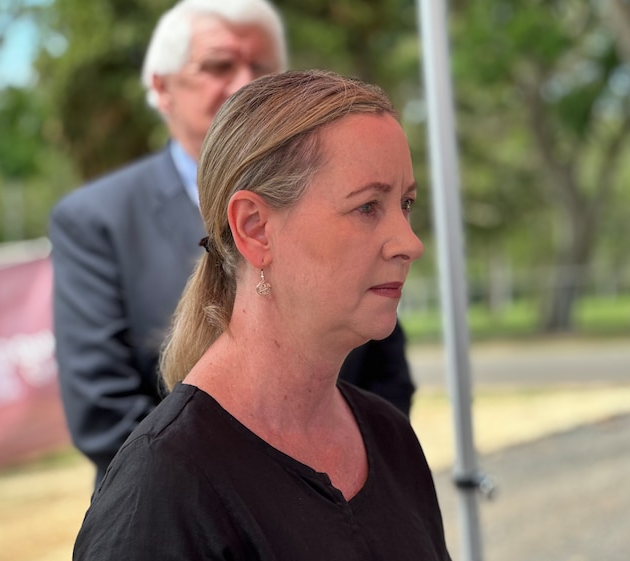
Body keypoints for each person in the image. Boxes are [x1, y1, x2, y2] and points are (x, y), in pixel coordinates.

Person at [73, 68, 457, 561]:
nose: (409, 242)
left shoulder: (387, 436)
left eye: (405, 204)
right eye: (367, 206)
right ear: (255, 229)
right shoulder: (163, 490)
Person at [48, 0, 416, 490]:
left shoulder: (338, 188)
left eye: (261, 68)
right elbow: (103, 407)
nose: (243, 81)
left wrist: (352, 466)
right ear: (161, 87)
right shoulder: (97, 219)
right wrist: (255, 498)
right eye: (218, 66)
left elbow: (380, 362)